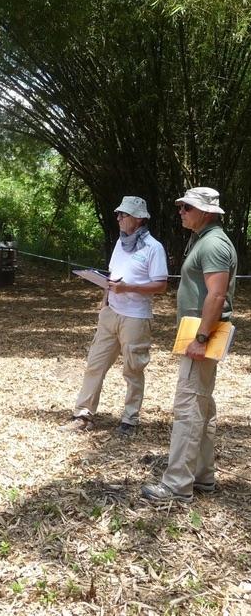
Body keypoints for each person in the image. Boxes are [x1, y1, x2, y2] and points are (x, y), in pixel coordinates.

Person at [142, 187, 236, 502]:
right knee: (202, 407)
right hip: (200, 334)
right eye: (181, 206)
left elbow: (217, 295)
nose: (181, 211)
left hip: (202, 336)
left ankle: (177, 484)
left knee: (188, 409)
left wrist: (200, 338)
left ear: (205, 212)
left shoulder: (212, 244)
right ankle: (202, 477)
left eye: (186, 207)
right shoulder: (205, 240)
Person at [63, 196, 168, 436]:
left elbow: (160, 285)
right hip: (111, 313)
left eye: (124, 214)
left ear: (139, 219)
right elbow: (112, 277)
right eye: (118, 214)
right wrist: (104, 305)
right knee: (95, 364)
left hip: (136, 318)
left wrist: (129, 288)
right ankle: (83, 415)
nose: (119, 218)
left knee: (133, 369)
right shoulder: (120, 243)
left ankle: (130, 419)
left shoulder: (153, 247)